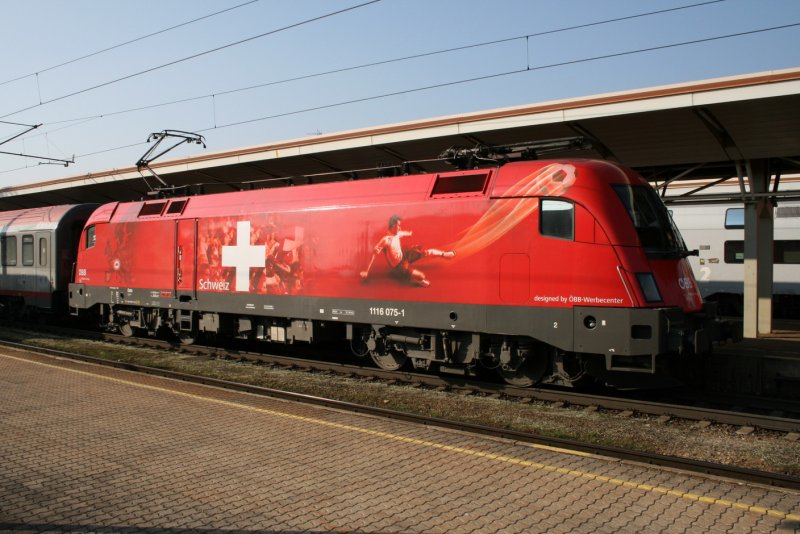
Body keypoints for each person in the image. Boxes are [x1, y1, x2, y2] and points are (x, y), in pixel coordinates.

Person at [360, 214, 455, 287]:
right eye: (398, 225)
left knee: (426, 252)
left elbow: (407, 233)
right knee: (421, 276)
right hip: (399, 266)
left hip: (405, 255)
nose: (399, 228)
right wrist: (367, 271)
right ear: (392, 226)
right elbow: (373, 255)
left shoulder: (397, 233)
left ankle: (445, 254)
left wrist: (412, 232)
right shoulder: (385, 240)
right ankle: (418, 280)